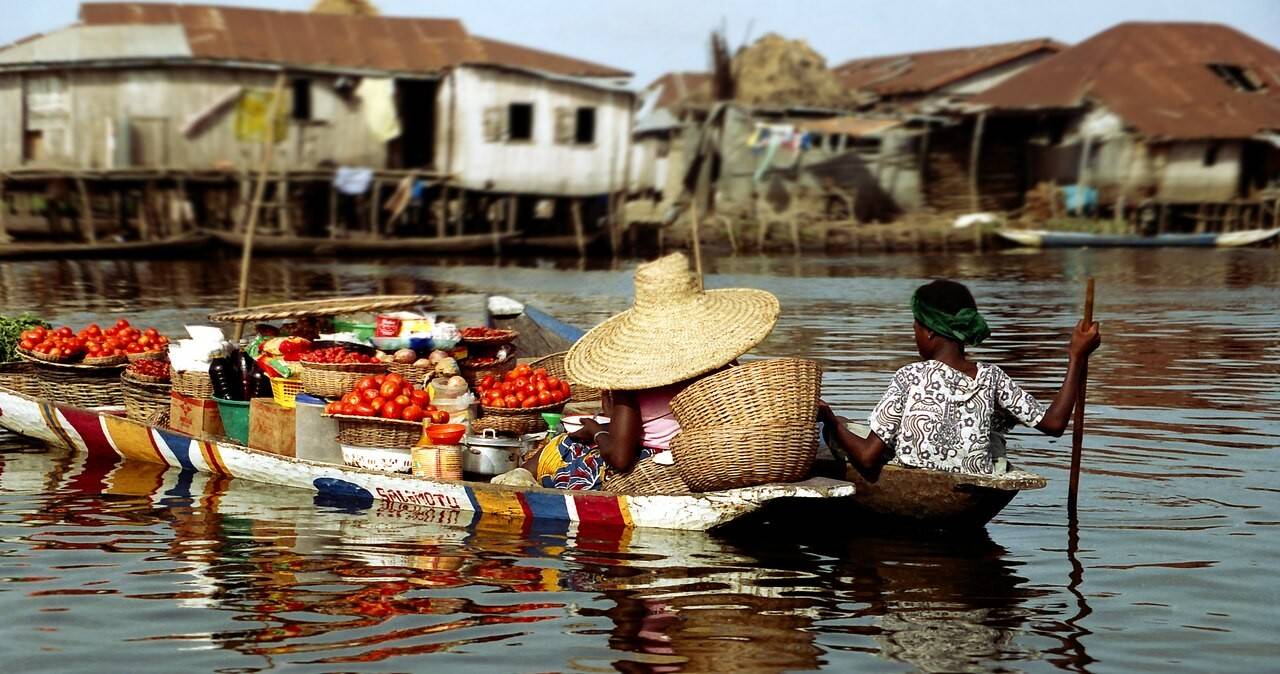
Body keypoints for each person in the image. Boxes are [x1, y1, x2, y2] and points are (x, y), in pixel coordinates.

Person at [499, 252, 780, 491]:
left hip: (658, 462)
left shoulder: (630, 379)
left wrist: (596, 431)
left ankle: (512, 483)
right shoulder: (722, 362)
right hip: (706, 452)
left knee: (563, 445)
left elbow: (621, 458)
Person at [821, 279, 1100, 477]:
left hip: (915, 476)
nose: (915, 333)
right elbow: (1054, 424)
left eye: (916, 326)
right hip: (975, 483)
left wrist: (831, 421)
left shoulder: (910, 375)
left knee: (841, 431)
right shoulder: (992, 377)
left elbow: (868, 459)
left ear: (929, 331)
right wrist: (1076, 356)